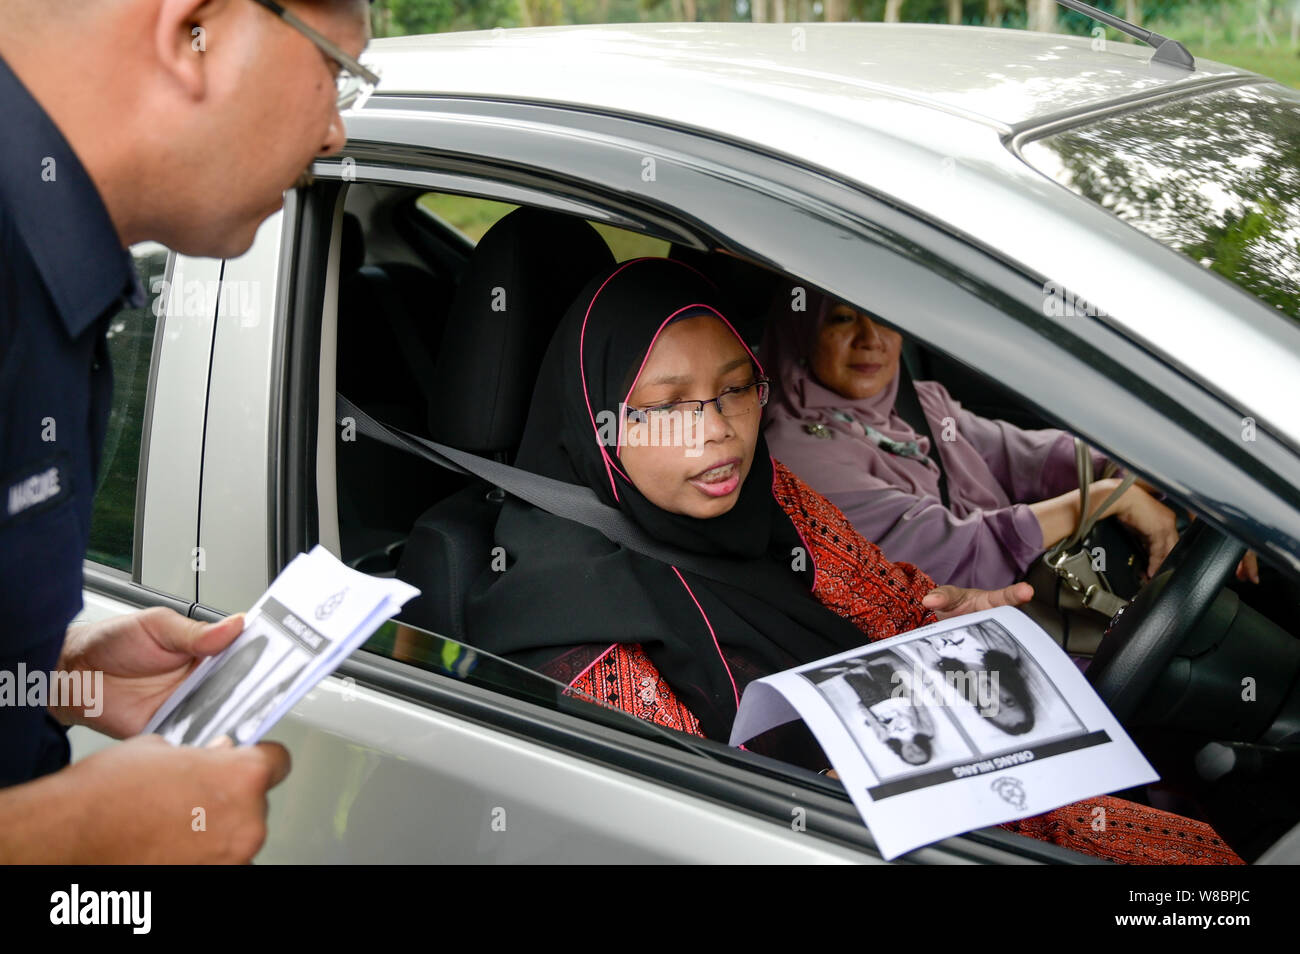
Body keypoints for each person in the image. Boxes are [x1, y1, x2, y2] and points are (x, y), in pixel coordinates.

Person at [464, 257, 1242, 864]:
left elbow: (890, 600)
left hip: (956, 786)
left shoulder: (775, 503)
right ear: (600, 420)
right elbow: (691, 818)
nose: (718, 431)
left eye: (737, 390)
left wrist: (948, 621)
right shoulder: (565, 620)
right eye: (669, 406)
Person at [0, 0, 373, 863]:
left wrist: (57, 675)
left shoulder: (59, 274)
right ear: (192, 34)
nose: (334, 135)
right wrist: (72, 839)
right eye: (336, 72)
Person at [761, 289, 1182, 591]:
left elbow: (1034, 457)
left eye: (884, 315)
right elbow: (954, 557)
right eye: (842, 318)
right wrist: (1109, 498)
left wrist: (1164, 483)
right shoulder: (796, 453)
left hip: (1043, 604)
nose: (872, 338)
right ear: (801, 332)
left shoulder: (921, 403)